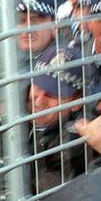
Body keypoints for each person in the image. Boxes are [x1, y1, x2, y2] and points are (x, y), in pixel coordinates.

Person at [27, 47, 91, 192]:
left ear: (76, 102)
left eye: (53, 94)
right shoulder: (15, 108)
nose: (39, 100)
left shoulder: (71, 147)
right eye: (37, 85)